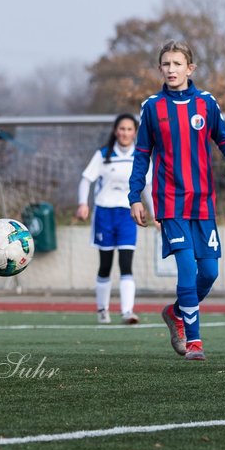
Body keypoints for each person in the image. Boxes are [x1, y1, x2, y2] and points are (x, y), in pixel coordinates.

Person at [130, 40, 225, 362]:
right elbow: (141, 155)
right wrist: (135, 196)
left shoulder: (206, 103)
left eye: (177, 64)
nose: (171, 70)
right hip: (170, 202)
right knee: (185, 271)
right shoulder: (152, 107)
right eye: (165, 64)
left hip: (203, 202)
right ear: (160, 68)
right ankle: (194, 343)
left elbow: (224, 137)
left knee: (208, 273)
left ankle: (175, 312)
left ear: (189, 68)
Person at [76, 114, 151, 325]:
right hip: (104, 214)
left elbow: (148, 186)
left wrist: (156, 213)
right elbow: (85, 180)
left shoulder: (142, 156)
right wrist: (83, 204)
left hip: (128, 214)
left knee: (126, 263)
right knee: (105, 264)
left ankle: (128, 311)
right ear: (115, 131)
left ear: (135, 132)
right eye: (122, 129)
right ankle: (102, 310)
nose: (125, 133)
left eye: (129, 129)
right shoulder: (103, 155)